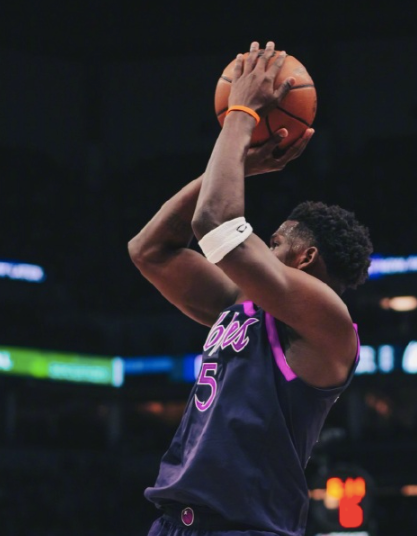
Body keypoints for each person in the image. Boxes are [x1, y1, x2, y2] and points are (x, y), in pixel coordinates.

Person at [128, 41, 373, 536]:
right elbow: (150, 251)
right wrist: (232, 166)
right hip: (176, 524)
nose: (260, 245)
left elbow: (216, 225)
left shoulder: (328, 322)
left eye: (274, 242)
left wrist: (241, 117)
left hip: (246, 528)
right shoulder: (242, 304)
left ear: (305, 258)